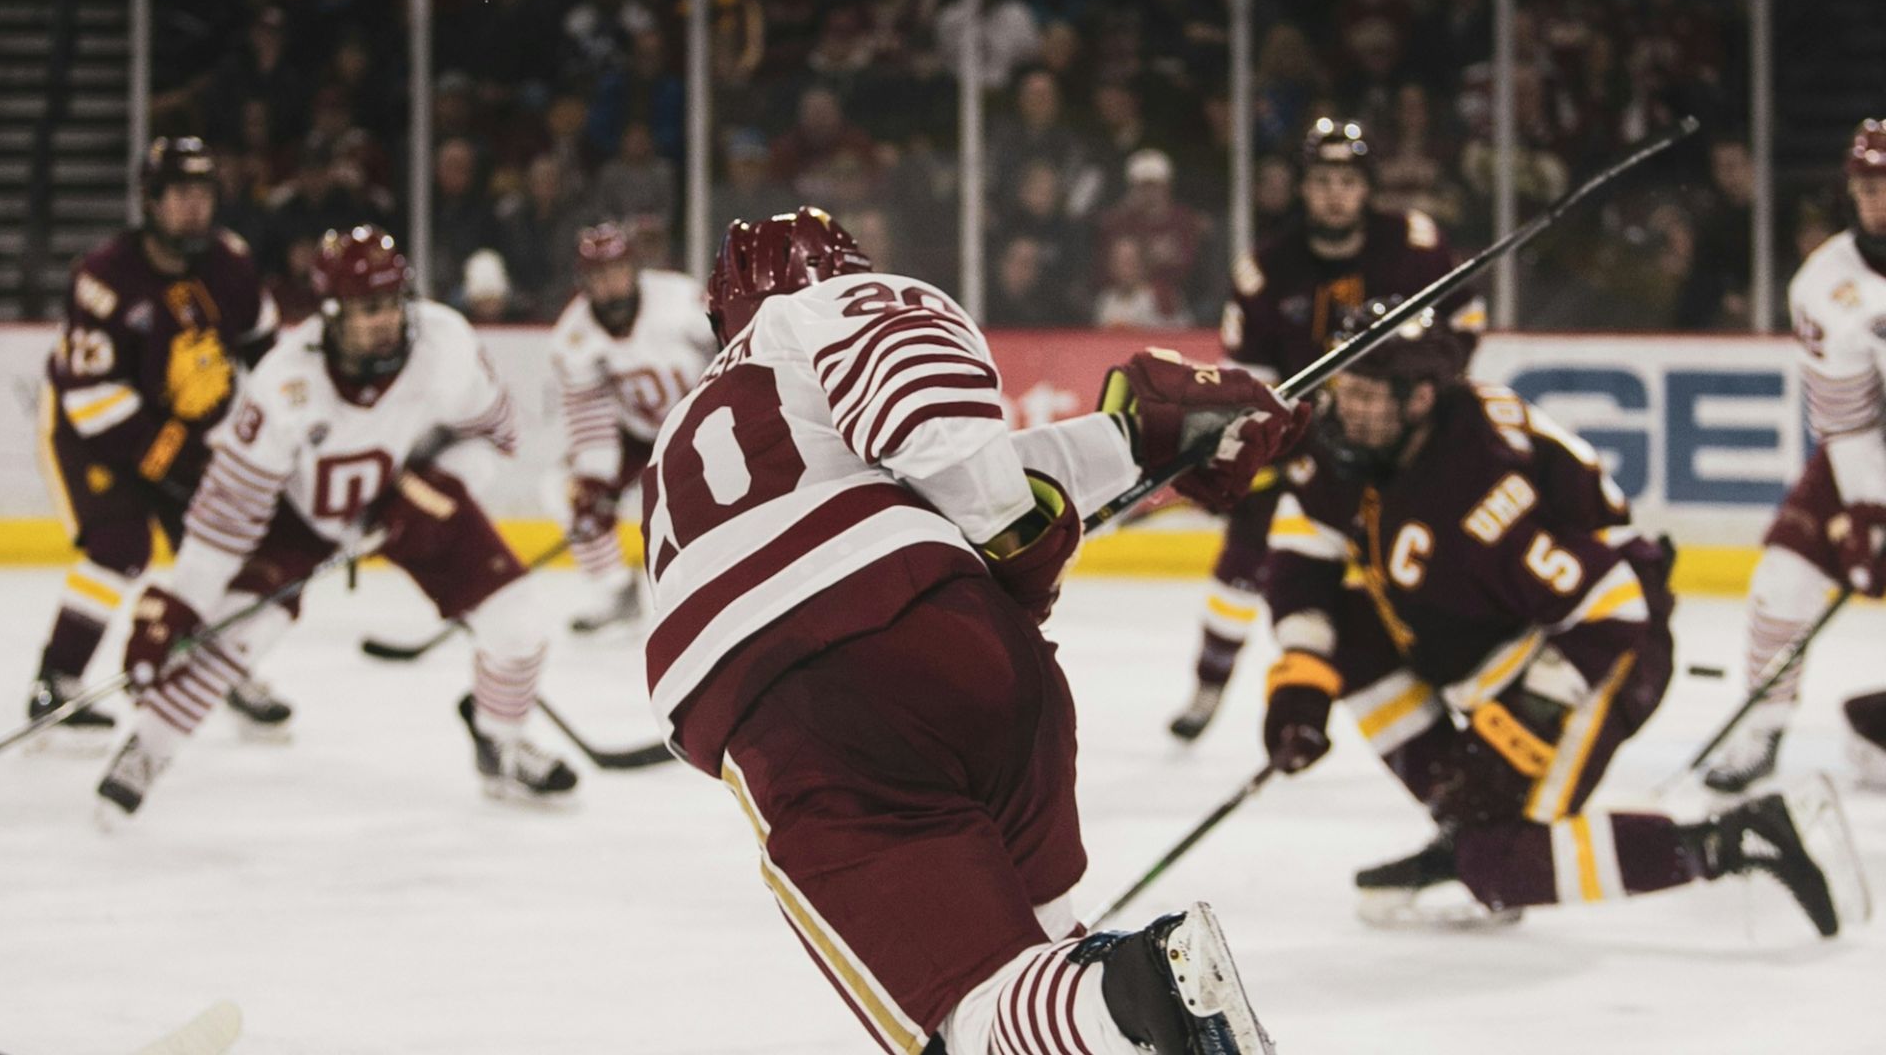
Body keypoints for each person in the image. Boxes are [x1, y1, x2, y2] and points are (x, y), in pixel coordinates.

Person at [639, 208, 1306, 1053]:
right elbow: (962, 465)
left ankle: (1146, 990)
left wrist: (1014, 528)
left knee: (965, 1014)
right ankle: (1115, 1000)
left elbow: (956, 464)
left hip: (806, 709)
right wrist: (1137, 445)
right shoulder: (826, 348)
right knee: (1037, 962)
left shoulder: (724, 396)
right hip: (981, 656)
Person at [1258, 301, 1866, 937]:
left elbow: (1610, 609)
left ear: (1419, 399)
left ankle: (1740, 840)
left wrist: (1516, 736)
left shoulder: (1477, 491)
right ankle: (1469, 825)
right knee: (1349, 631)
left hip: (1603, 653)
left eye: (1364, 393)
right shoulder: (1361, 442)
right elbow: (1304, 554)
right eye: (1342, 386)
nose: (1343, 407)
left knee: (1502, 866)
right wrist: (1301, 675)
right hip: (1501, 637)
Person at [97, 225, 577, 817]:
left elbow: (497, 435)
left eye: (391, 303)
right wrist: (182, 606)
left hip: (406, 497)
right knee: (239, 630)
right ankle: (147, 748)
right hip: (300, 518)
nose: (385, 320)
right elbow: (228, 518)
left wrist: (440, 484)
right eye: (365, 308)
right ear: (330, 313)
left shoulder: (444, 344)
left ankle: (501, 743)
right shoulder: (283, 385)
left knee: (520, 622)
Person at [1167, 116, 1483, 742]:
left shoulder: (1414, 248)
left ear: (1366, 187)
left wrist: (1417, 402)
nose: (1335, 192)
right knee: (1243, 563)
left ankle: (1464, 677)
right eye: (1322, 179)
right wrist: (1248, 448)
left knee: (1434, 550)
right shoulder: (1266, 268)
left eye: (1347, 179)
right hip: (1299, 443)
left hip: (1398, 440)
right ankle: (1209, 683)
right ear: (1302, 188)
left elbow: (1464, 324)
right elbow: (1249, 381)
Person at [30, 136, 288, 748]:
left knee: (217, 551)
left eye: (203, 193)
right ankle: (55, 682)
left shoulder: (231, 263)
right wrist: (177, 460)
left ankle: (227, 668)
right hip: (86, 431)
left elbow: (270, 354)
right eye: (180, 194)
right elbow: (93, 400)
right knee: (121, 549)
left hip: (182, 435)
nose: (194, 207)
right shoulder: (103, 278)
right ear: (150, 200)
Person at [1704, 119, 1886, 793]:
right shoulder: (1825, 283)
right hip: (1867, 451)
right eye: (1867, 185)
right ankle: (1762, 729)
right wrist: (1868, 510)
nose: (1877, 198)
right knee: (1783, 574)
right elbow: (1845, 420)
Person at [550, 222, 718, 632]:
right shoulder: (573, 337)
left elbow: (731, 342)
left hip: (701, 427)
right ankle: (616, 590)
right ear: (584, 281)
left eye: (616, 270)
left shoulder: (680, 299)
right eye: (598, 276)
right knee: (561, 488)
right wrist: (595, 482)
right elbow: (590, 415)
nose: (609, 284)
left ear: (634, 268)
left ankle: (716, 590)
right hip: (638, 437)